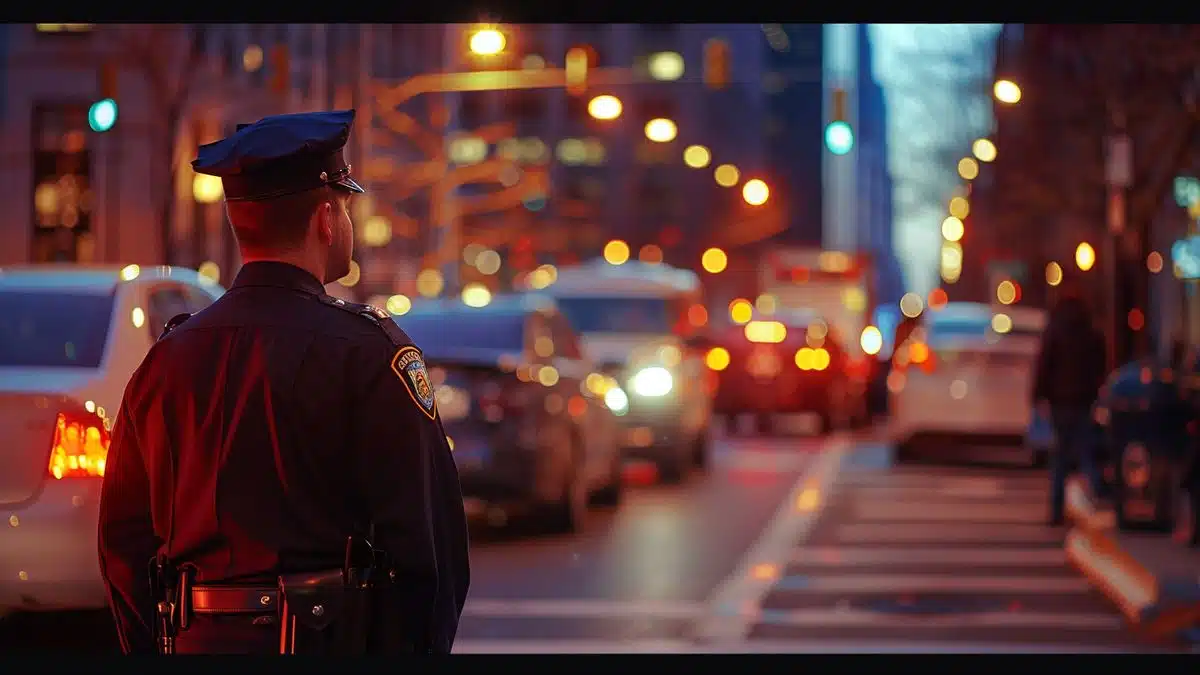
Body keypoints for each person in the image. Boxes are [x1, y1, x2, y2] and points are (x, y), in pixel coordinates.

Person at [97, 109, 470, 654]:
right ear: (325, 218)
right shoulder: (369, 354)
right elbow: (429, 555)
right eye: (345, 206)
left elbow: (123, 544)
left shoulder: (166, 361)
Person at [1032, 283, 1109, 526]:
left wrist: (1038, 396)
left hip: (1060, 402)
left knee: (1061, 458)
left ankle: (1055, 510)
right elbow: (1100, 366)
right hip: (1084, 401)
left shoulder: (1055, 330)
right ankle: (1100, 499)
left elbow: (1044, 366)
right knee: (1086, 453)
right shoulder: (1091, 332)